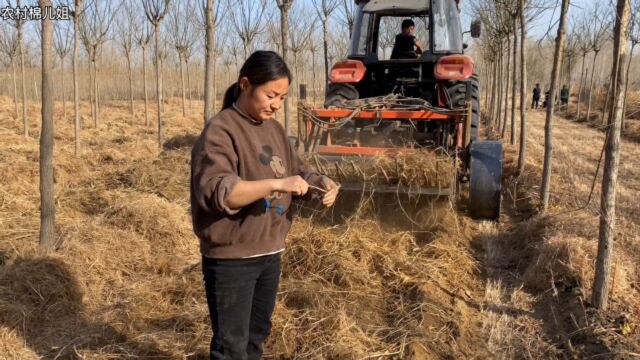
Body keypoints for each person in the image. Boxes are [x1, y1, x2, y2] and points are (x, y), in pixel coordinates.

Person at [190, 50, 339, 359]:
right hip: (233, 259)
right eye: (271, 95)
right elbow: (221, 191)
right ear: (245, 85)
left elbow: (295, 170)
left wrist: (320, 183)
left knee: (256, 339)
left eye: (282, 98)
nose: (276, 105)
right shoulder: (221, 130)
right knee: (231, 347)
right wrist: (274, 184)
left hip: (270, 252)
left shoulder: (273, 129)